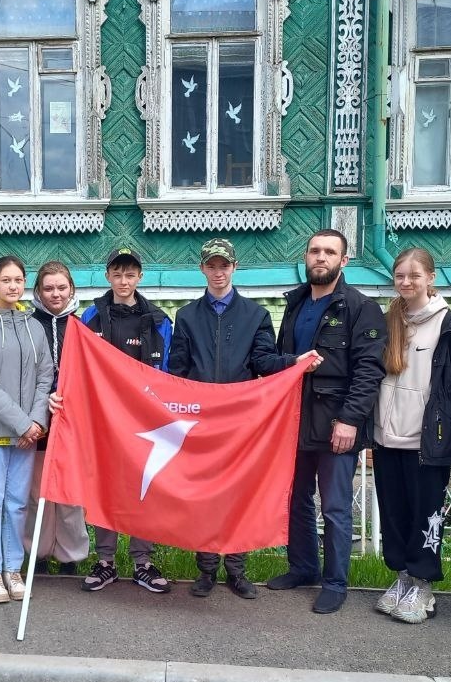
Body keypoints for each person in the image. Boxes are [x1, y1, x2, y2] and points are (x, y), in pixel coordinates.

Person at [169, 238, 317, 599]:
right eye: (211, 265)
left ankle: (236, 569)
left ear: (234, 267)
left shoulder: (256, 315)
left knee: (238, 494)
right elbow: (178, 371)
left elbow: (263, 362)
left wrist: (291, 363)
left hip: (240, 424)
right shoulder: (187, 316)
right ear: (202, 269)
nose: (218, 272)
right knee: (203, 496)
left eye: (224, 265)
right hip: (201, 422)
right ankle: (205, 570)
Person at [269, 229, 386, 614]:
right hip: (294, 421)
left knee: (335, 506)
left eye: (329, 252)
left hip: (336, 423)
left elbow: (369, 370)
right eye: (315, 251)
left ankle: (335, 582)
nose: (321, 257)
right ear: (306, 257)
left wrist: (350, 420)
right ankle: (303, 568)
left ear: (343, 260)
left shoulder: (359, 307)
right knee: (296, 498)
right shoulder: (296, 304)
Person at [371, 248, 451, 625]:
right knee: (395, 512)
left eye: (414, 276)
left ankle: (424, 583)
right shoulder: (388, 321)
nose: (406, 282)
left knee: (424, 514)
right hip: (387, 437)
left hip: (426, 441)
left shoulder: (450, 327)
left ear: (431, 278)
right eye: (400, 275)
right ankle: (402, 576)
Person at [79, 247, 173, 594]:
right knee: (106, 489)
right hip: (103, 421)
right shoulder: (90, 316)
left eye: (130, 274)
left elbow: (167, 376)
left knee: (142, 490)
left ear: (140, 277)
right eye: (117, 274)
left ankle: (143, 562)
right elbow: (80, 367)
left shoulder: (160, 320)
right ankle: (105, 561)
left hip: (145, 424)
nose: (123, 281)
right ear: (108, 276)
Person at [0, 256, 53, 604]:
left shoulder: (34, 326)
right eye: (6, 280)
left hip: (26, 434)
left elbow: (45, 374)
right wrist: (23, 422)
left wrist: (35, 423)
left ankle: (13, 570)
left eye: (18, 280)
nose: (13, 286)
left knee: (17, 505)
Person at [25, 260, 90, 576]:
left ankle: (70, 556)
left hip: (71, 423)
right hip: (37, 421)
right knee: (36, 494)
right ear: (38, 290)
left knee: (70, 495)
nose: (55, 294)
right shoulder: (26, 325)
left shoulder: (82, 327)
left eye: (61, 287)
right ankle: (36, 551)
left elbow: (91, 376)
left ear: (71, 289)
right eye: (48, 288)